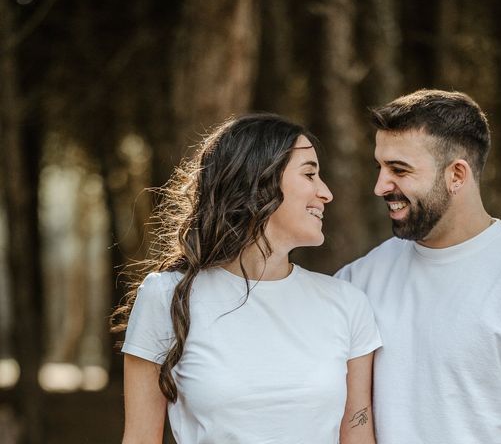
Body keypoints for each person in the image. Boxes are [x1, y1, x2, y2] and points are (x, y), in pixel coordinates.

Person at [335, 90, 501, 444]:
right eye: (379, 167)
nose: (380, 186)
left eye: (399, 170)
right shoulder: (358, 279)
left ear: (456, 175)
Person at [112, 114, 381, 444]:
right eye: (310, 174)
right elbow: (139, 439)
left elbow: (357, 435)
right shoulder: (166, 296)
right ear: (259, 181)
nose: (325, 193)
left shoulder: (346, 303)